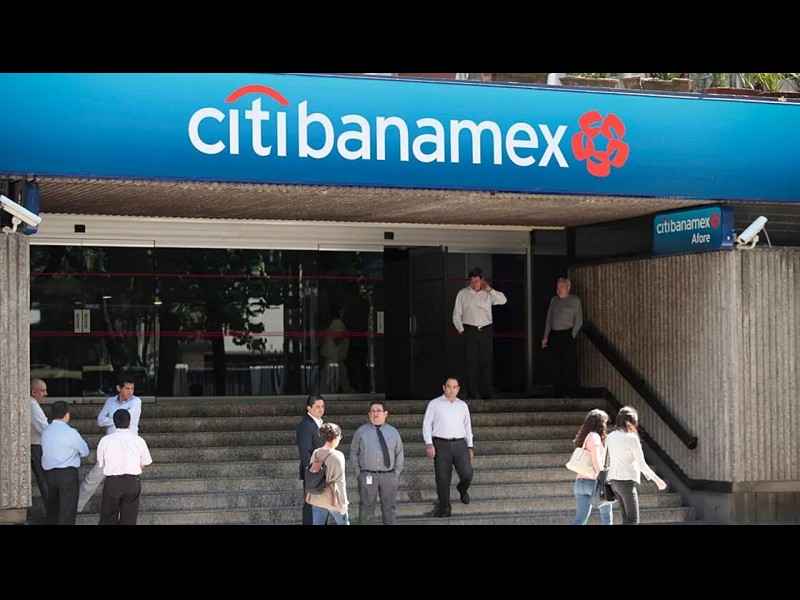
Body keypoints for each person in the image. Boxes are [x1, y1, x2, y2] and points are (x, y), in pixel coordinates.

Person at [77, 374, 142, 513]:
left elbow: (129, 418)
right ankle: (75, 506)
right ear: (119, 388)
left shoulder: (136, 401)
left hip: (129, 447)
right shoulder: (110, 401)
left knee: (128, 481)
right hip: (110, 447)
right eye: (127, 388)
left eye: (132, 388)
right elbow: (100, 421)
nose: (130, 392)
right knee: (92, 478)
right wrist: (119, 418)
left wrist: (112, 417)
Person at [422, 376, 474, 518]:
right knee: (442, 478)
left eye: (454, 387)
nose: (451, 390)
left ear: (458, 389)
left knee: (467, 473)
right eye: (449, 387)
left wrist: (470, 446)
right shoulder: (434, 404)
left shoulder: (462, 406)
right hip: (441, 444)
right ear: (444, 387)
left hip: (460, 443)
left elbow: (467, 427)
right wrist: (429, 444)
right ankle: (445, 507)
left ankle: (462, 489)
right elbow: (427, 424)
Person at [606, 405, 668, 525]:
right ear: (633, 421)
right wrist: (657, 480)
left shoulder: (611, 436)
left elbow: (608, 459)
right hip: (626, 482)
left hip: (614, 481)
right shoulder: (631, 438)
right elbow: (642, 464)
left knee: (626, 519)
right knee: (633, 520)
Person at [452, 267, 507, 400]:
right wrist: (461, 330)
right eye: (472, 281)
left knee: (486, 361)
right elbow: (456, 314)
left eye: (476, 281)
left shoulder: (488, 294)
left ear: (482, 280)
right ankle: (472, 393)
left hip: (485, 330)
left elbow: (503, 300)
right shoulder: (463, 293)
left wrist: (489, 290)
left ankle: (486, 392)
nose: (474, 283)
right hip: (469, 330)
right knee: (470, 362)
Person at [349, 400, 405, 525]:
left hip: (389, 476)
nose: (375, 413)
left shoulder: (393, 432)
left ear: (385, 414)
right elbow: (353, 452)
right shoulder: (361, 432)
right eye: (372, 411)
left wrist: (395, 474)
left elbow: (399, 453)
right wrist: (358, 473)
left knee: (389, 508)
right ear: (369, 414)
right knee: (366, 508)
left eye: (378, 410)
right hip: (367, 475)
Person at [95, 408, 153, 525]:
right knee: (129, 518)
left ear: (114, 422)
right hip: (132, 482)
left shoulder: (105, 441)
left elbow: (101, 463)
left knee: (108, 517)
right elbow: (144, 462)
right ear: (130, 422)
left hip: (112, 482)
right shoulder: (138, 440)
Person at [40, 400, 90, 525]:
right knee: (67, 511)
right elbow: (85, 451)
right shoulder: (70, 432)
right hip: (67, 474)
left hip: (49, 474)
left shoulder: (45, 431)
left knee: (53, 510)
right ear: (67, 415)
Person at [569, 408, 613, 525]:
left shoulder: (586, 437)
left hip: (580, 483)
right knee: (607, 518)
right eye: (604, 422)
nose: (605, 425)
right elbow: (596, 460)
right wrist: (603, 479)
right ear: (600, 423)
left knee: (580, 520)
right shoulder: (595, 437)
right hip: (593, 482)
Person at [541, 277, 583, 398]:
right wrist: (546, 336)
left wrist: (572, 334)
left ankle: (571, 391)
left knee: (569, 363)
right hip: (555, 334)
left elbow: (579, 320)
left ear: (568, 288)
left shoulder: (574, 300)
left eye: (562, 287)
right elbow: (549, 318)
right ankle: (558, 391)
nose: (559, 289)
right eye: (558, 287)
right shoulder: (554, 300)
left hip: (567, 334)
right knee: (556, 364)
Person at [306, 422, 350, 525]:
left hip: (317, 496)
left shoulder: (316, 453)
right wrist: (344, 502)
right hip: (333, 498)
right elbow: (340, 481)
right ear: (336, 437)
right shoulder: (338, 455)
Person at [296, 393, 326, 525]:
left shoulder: (319, 423)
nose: (321, 409)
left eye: (322, 406)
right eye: (317, 406)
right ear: (309, 408)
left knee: (321, 505)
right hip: (313, 471)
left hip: (321, 470)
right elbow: (305, 452)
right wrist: (313, 470)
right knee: (311, 505)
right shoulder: (306, 425)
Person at [320, 306, 357, 394]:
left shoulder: (336, 323)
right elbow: (337, 339)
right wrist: (346, 334)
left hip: (336, 358)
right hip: (333, 358)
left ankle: (351, 395)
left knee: (342, 381)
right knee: (326, 382)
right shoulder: (338, 323)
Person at [29, 378, 50, 516]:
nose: (46, 394)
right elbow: (44, 428)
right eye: (42, 391)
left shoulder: (32, 403)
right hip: (36, 446)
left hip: (36, 444)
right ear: (33, 392)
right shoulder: (32, 405)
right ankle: (52, 511)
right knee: (44, 480)